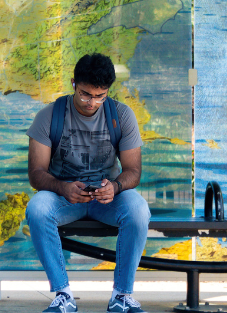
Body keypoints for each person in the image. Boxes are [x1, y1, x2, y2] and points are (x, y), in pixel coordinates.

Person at [25, 53, 148, 313]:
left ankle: (122, 296)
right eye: (85, 94)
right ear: (73, 84)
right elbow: (36, 173)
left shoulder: (122, 115)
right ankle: (63, 295)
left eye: (100, 96)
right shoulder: (49, 116)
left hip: (108, 197)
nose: (92, 102)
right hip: (63, 195)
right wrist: (62, 187)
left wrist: (115, 187)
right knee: (37, 209)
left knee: (139, 210)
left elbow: (133, 171)